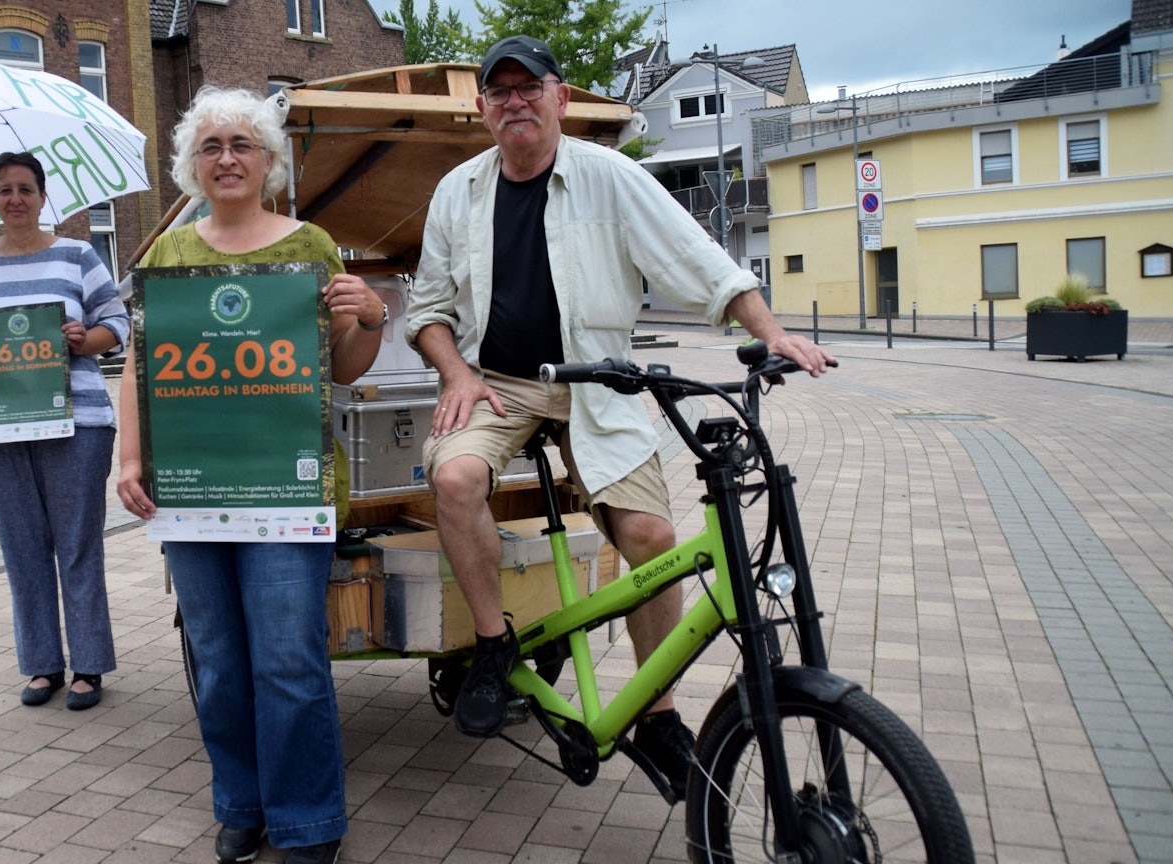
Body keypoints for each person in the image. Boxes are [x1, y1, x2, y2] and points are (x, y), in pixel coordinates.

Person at [406, 36, 836, 798]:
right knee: (460, 475)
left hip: (598, 384)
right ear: (482, 111)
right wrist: (457, 372)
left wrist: (769, 333)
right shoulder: (456, 192)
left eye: (528, 87)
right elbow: (430, 309)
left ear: (559, 97)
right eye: (498, 92)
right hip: (499, 383)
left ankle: (660, 712)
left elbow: (699, 259)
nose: (515, 102)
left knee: (654, 538)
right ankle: (493, 647)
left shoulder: (611, 177)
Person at [115, 87, 384, 864]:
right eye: (211, 146)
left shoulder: (312, 246)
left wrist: (369, 317)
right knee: (221, 662)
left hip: (286, 491)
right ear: (190, 166)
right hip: (194, 492)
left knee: (288, 660)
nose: (226, 158)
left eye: (241, 143)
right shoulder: (168, 254)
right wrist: (129, 457)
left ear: (269, 161)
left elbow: (340, 366)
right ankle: (241, 800)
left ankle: (307, 819)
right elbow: (140, 363)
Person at [0, 151, 129, 711]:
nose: (16, 198)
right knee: (21, 549)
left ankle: (89, 666)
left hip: (77, 419)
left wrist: (83, 339)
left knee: (76, 545)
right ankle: (42, 665)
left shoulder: (77, 255)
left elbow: (117, 325)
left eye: (26, 188)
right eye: (5, 189)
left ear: (43, 195)